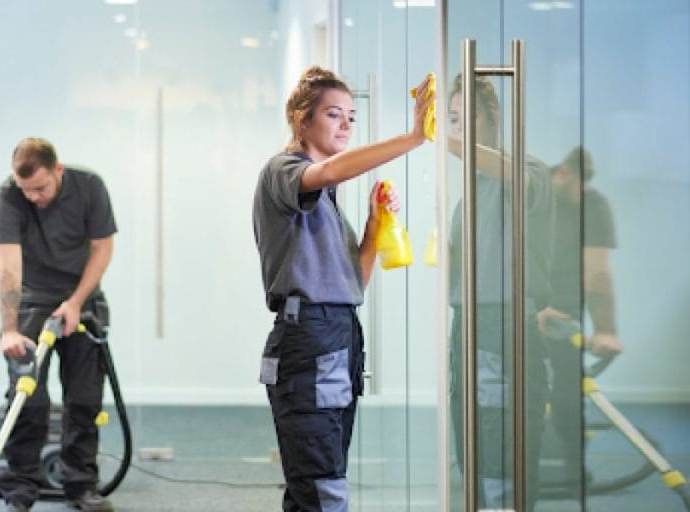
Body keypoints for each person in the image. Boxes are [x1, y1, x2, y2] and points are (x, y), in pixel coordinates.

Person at [252, 66, 432, 511]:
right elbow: (328, 172)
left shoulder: (328, 201)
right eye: (334, 114)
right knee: (322, 486)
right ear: (301, 118)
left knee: (314, 483)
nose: (347, 124)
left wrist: (373, 225)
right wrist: (411, 139)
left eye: (351, 115)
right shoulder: (284, 171)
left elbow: (354, 283)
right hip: (310, 339)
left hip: (338, 332)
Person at [0, 137, 117, 512]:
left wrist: (76, 303)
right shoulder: (7, 197)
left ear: (57, 171)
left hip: (83, 297)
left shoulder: (89, 187)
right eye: (25, 189)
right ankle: (21, 488)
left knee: (84, 398)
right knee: (27, 397)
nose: (32, 197)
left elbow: (102, 248)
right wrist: (10, 329)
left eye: (40, 188)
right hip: (31, 299)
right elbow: (9, 268)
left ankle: (80, 484)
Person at [445, 75, 554, 508]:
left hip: (502, 328)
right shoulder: (468, 192)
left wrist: (444, 141)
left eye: (462, 118)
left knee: (500, 461)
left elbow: (513, 175)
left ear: (491, 119)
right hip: (466, 329)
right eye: (450, 119)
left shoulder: (527, 171)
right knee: (472, 452)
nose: (455, 129)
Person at [537, 146, 622, 483]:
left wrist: (605, 329)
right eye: (578, 185)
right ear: (562, 174)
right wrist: (533, 307)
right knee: (514, 388)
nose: (582, 194)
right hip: (522, 307)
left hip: (566, 314)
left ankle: (573, 469)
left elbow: (598, 273)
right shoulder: (532, 196)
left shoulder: (594, 205)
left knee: (569, 391)